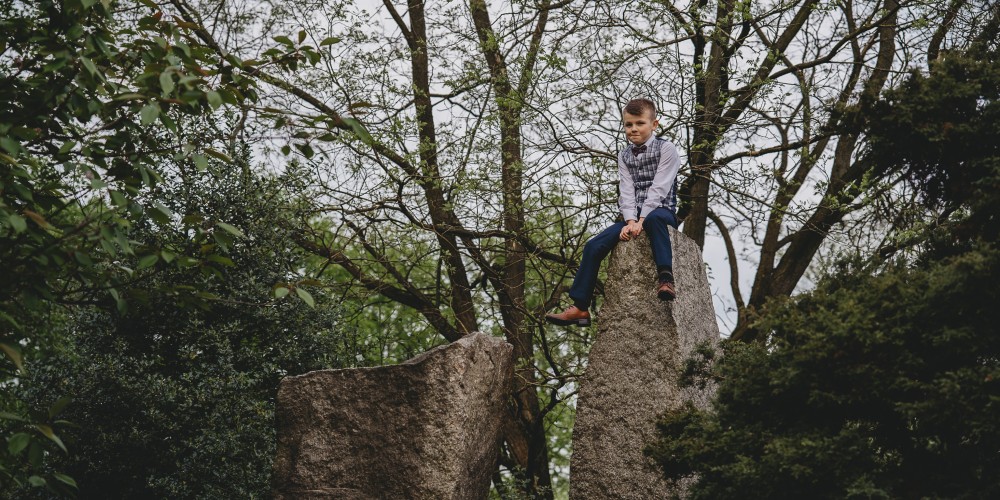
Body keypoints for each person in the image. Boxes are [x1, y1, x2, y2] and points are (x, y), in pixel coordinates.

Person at [545, 98, 681, 327]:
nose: (633, 129)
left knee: (657, 218)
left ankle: (666, 279)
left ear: (654, 124)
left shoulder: (666, 149)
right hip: (633, 217)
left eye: (639, 123)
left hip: (660, 212)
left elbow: (660, 188)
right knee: (593, 246)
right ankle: (580, 307)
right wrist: (630, 221)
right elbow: (626, 190)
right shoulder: (624, 155)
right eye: (628, 125)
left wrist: (642, 219)